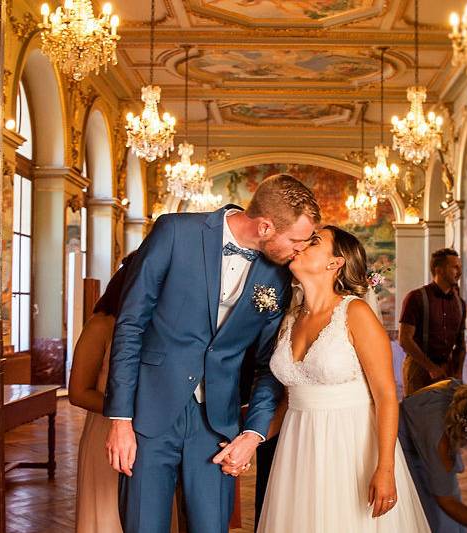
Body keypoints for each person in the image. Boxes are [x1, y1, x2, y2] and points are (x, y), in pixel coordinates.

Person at [103, 174, 321, 533]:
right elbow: (130, 325)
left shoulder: (278, 275)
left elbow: (269, 365)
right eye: (296, 241)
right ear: (265, 226)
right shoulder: (174, 232)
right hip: (149, 417)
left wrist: (253, 434)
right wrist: (120, 419)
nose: (300, 250)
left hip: (217, 426)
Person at [257, 226, 430, 532]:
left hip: (350, 447)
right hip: (297, 451)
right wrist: (251, 440)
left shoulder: (356, 313)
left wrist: (385, 468)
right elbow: (289, 400)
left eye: (313, 242)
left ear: (335, 262)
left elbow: (386, 396)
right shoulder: (290, 319)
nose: (301, 245)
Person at [70, 252, 139, 533]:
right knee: (107, 515)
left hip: (147, 436)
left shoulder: (154, 327)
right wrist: (124, 410)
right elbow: (77, 392)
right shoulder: (101, 324)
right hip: (106, 431)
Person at [399, 381, 467, 533]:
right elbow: (446, 500)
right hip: (403, 450)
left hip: (428, 433)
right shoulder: (440, 440)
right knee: (436, 519)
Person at [398, 248, 467, 396]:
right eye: (455, 267)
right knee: (417, 416)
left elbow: (461, 344)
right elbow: (404, 339)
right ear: (439, 270)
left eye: (460, 267)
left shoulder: (460, 303)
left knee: (444, 416)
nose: (459, 272)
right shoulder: (416, 297)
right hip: (418, 369)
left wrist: (458, 373)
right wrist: (430, 367)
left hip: (446, 371)